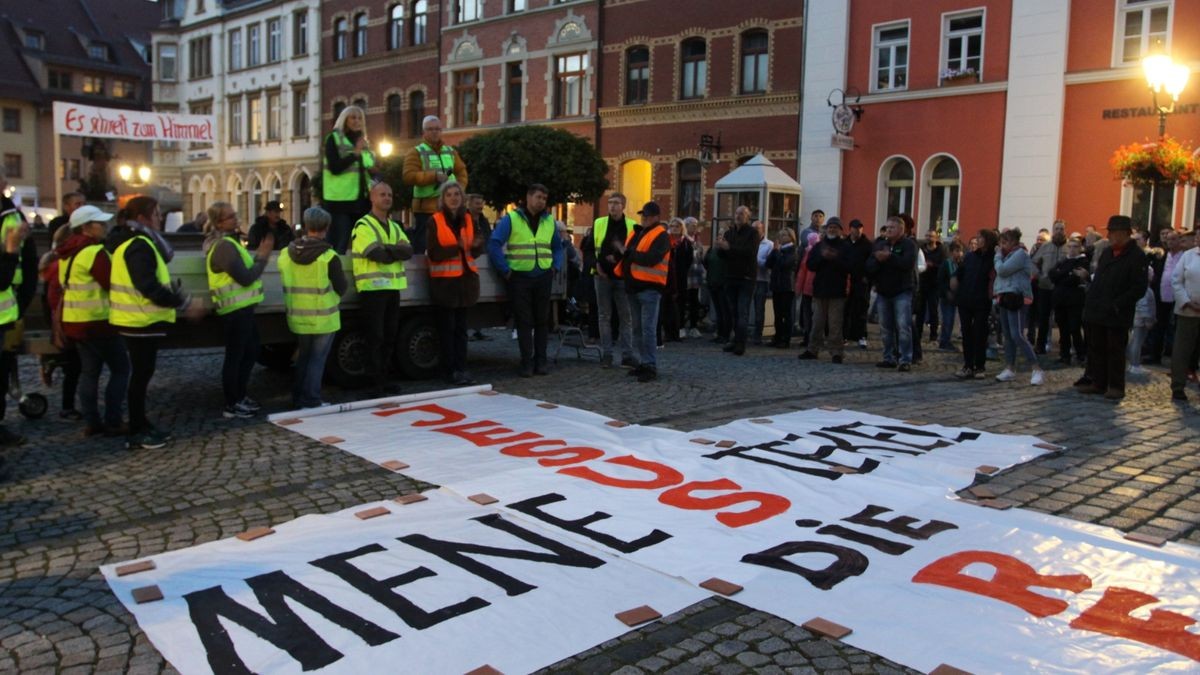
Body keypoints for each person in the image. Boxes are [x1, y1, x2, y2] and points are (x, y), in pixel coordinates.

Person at [109, 197, 204, 449]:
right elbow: (147, 286)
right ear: (142, 218)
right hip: (140, 320)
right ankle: (138, 431)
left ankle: (141, 424)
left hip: (138, 318)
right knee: (140, 377)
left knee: (142, 375)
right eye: (157, 213)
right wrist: (183, 302)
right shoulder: (139, 245)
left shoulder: (132, 242)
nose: (160, 218)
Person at [56, 205, 130, 436]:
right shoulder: (93, 253)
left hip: (75, 322)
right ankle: (114, 421)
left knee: (89, 373)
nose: (105, 226)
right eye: (100, 223)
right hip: (99, 322)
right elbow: (112, 283)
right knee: (121, 370)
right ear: (87, 228)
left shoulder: (66, 254)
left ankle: (92, 422)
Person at [204, 201, 273, 418]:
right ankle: (232, 403)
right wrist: (262, 257)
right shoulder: (224, 246)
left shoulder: (230, 244)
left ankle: (240, 396)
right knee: (236, 356)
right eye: (231, 217)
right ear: (219, 222)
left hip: (243, 309)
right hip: (235, 311)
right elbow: (245, 277)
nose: (236, 219)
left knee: (250, 351)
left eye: (235, 215)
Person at [488, 184, 563, 377]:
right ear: (528, 197)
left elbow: (558, 247)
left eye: (544, 199)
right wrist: (505, 270)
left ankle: (541, 362)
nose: (541, 201)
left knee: (541, 322)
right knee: (524, 322)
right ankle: (526, 363)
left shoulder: (549, 221)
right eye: (538, 197)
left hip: (543, 275)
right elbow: (494, 244)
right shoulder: (512, 219)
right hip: (520, 277)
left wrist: (555, 266)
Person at [279, 207, 346, 409]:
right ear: (326, 227)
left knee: (303, 359)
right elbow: (341, 287)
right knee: (317, 360)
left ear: (306, 226)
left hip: (297, 317)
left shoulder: (286, 254)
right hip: (324, 318)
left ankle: (298, 397)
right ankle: (312, 399)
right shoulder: (329, 256)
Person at [1076, 215, 1148, 400]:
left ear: (1124, 233)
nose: (1109, 235)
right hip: (1098, 309)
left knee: (1115, 350)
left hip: (1118, 312)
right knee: (1096, 347)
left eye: (1113, 232)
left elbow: (1139, 287)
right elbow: (1099, 278)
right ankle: (1098, 383)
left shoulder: (1137, 255)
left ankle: (1116, 386)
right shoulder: (1108, 252)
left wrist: (1118, 304)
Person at [352, 181, 413, 396]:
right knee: (374, 338)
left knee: (389, 336)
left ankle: (384, 379)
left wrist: (388, 249)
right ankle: (373, 382)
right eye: (382, 194)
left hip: (392, 288)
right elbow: (374, 254)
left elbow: (408, 251)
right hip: (372, 289)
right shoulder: (363, 225)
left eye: (390, 194)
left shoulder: (396, 226)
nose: (387, 198)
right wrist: (393, 250)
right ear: (372, 198)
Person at [427, 183, 486, 386]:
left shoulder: (468, 218)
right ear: (442, 198)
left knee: (461, 331)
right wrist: (456, 247)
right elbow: (433, 253)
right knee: (446, 332)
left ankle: (461, 369)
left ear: (462, 197)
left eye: (457, 194)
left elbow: (473, 251)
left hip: (465, 284)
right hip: (445, 285)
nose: (453, 198)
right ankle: (448, 370)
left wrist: (477, 245)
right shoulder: (435, 220)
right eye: (449, 194)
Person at [403, 115, 469, 255]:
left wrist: (459, 189)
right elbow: (408, 176)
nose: (435, 132)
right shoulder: (415, 152)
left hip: (449, 208)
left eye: (438, 129)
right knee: (424, 245)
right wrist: (434, 176)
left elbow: (461, 171)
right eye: (430, 129)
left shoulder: (450, 151)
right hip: (426, 210)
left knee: (448, 243)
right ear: (424, 132)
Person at [624, 202, 671, 382]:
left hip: (650, 288)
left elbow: (651, 259)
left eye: (648, 216)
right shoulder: (638, 233)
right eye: (643, 215)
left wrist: (629, 254)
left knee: (648, 329)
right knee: (638, 328)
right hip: (633, 287)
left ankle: (650, 365)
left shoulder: (661, 236)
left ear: (657, 217)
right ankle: (644, 363)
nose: (645, 218)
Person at [993, 228, 1045, 386]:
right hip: (1004, 296)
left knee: (1017, 335)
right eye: (1001, 242)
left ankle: (1036, 368)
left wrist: (997, 256)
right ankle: (1010, 367)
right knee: (1008, 335)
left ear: (1014, 242)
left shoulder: (1020, 254)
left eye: (1005, 242)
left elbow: (1002, 270)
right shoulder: (1006, 255)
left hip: (1016, 297)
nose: (1002, 245)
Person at [866, 215, 917, 371]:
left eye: (892, 227)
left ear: (901, 229)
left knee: (903, 326)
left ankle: (905, 359)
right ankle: (889, 357)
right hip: (883, 291)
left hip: (902, 291)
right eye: (887, 227)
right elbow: (868, 266)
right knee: (885, 327)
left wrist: (890, 257)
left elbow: (907, 264)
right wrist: (878, 260)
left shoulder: (909, 244)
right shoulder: (880, 244)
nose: (888, 230)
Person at [322, 105, 375, 253]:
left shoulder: (362, 141)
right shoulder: (333, 139)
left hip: (360, 200)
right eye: (353, 118)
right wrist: (355, 153)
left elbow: (369, 166)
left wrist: (369, 155)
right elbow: (335, 167)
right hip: (339, 201)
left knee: (361, 242)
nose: (357, 121)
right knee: (340, 243)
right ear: (344, 120)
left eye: (360, 118)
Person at [799, 218, 852, 362]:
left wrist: (834, 258)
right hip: (819, 289)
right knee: (817, 322)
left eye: (835, 227)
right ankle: (812, 349)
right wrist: (823, 258)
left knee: (835, 324)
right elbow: (810, 265)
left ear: (840, 230)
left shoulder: (845, 247)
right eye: (829, 227)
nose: (832, 229)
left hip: (837, 291)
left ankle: (836, 352)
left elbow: (850, 267)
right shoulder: (818, 246)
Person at [953, 228, 998, 379]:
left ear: (988, 240)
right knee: (966, 333)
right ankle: (967, 365)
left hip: (982, 301)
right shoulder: (970, 256)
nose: (977, 240)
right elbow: (960, 272)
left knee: (980, 333)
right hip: (965, 299)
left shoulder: (994, 258)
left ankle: (980, 366)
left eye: (980, 237)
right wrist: (954, 280)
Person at [716, 205, 759, 356]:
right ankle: (735, 339)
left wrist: (729, 248)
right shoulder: (729, 233)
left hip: (746, 277)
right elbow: (724, 255)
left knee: (742, 311)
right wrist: (720, 248)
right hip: (730, 276)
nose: (738, 216)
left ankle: (741, 342)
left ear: (748, 217)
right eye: (736, 213)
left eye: (742, 213)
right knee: (733, 311)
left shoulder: (753, 233)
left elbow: (749, 252)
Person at [1169, 229, 1199, 402]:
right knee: (1182, 350)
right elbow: (1176, 280)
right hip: (1187, 310)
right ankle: (1178, 386)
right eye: (1197, 236)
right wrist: (1186, 301)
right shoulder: (1188, 256)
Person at [1049, 237, 1089, 365]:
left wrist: (1061, 275)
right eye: (1070, 246)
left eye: (1075, 246)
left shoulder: (1083, 261)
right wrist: (1066, 274)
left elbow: (1075, 279)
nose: (1072, 249)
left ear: (1080, 248)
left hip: (1074, 300)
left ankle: (1080, 354)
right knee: (1063, 329)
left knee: (1074, 328)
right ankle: (1064, 354)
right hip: (1060, 299)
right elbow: (1052, 274)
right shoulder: (1063, 261)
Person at [1030, 220, 1067, 353]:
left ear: (1065, 230)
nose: (1059, 231)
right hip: (1045, 287)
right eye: (1056, 229)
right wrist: (1039, 275)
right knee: (1043, 318)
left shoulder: (1069, 247)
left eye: (1061, 229)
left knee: (1062, 319)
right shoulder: (1045, 247)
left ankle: (1064, 348)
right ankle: (1040, 345)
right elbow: (1033, 263)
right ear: (1053, 230)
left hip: (1062, 288)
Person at [1147, 228, 1182, 364]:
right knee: (1159, 326)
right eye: (1168, 240)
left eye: (1173, 239)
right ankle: (1155, 355)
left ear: (1180, 241)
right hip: (1161, 296)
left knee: (1174, 328)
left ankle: (1174, 357)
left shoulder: (1184, 256)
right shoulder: (1163, 256)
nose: (1170, 242)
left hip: (1178, 298)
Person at [464, 193, 494, 341]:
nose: (480, 206)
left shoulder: (483, 221)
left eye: (481, 203)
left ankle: (477, 329)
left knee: (480, 295)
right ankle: (467, 329)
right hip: (468, 261)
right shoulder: (464, 219)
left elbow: (489, 238)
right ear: (469, 204)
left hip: (483, 260)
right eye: (477, 203)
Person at [843, 219, 873, 349]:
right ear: (850, 229)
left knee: (861, 309)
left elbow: (871, 263)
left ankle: (862, 336)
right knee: (845, 309)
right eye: (855, 228)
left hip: (862, 281)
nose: (858, 230)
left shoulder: (867, 244)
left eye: (860, 228)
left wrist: (867, 277)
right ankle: (845, 334)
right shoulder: (845, 243)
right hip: (846, 280)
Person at [766, 228, 797, 348]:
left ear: (791, 237)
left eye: (784, 235)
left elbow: (785, 264)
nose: (781, 237)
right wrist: (774, 251)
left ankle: (786, 339)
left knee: (786, 314)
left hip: (787, 286)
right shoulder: (779, 250)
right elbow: (768, 264)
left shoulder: (793, 250)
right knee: (777, 314)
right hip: (776, 285)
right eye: (780, 235)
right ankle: (777, 336)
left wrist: (778, 252)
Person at [662, 217, 692, 342]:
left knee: (679, 304)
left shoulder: (685, 243)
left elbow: (688, 260)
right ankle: (668, 331)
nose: (674, 229)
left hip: (680, 277)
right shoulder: (665, 241)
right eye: (672, 226)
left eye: (677, 226)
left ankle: (677, 331)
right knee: (667, 304)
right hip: (667, 277)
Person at [917, 229, 945, 344]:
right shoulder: (921, 249)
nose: (929, 238)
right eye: (927, 236)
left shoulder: (941, 250)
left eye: (931, 236)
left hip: (934, 284)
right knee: (920, 310)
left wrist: (933, 265)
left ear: (936, 238)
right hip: (922, 282)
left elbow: (944, 265)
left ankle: (933, 334)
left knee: (933, 310)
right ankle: (918, 333)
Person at [704, 226, 731, 344]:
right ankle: (719, 334)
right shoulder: (712, 248)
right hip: (712, 282)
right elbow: (706, 263)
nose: (720, 237)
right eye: (719, 234)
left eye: (723, 234)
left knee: (725, 310)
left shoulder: (727, 249)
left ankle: (725, 334)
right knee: (718, 310)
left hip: (723, 283)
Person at [793, 231, 819, 347]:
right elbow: (802, 271)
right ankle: (809, 337)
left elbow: (802, 271)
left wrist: (799, 287)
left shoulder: (812, 253)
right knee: (808, 315)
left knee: (813, 315)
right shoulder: (808, 253)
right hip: (809, 288)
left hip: (814, 288)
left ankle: (811, 337)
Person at [936, 240, 963, 350]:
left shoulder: (960, 264)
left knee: (951, 319)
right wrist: (947, 292)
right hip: (946, 296)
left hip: (956, 296)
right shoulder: (946, 264)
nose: (959, 253)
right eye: (957, 251)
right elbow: (940, 281)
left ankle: (946, 340)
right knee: (947, 319)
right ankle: (944, 341)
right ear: (951, 252)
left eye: (960, 251)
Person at [1127, 280, 1156, 377]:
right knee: (1137, 342)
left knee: (1136, 341)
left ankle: (1134, 363)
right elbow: (1142, 306)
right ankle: (1134, 364)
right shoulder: (1144, 290)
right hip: (1140, 320)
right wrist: (1147, 319)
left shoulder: (1143, 289)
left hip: (1138, 319)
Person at [683, 217, 705, 338]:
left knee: (694, 301)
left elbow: (700, 257)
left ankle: (693, 326)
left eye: (696, 225)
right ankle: (680, 326)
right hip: (685, 275)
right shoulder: (683, 239)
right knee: (681, 301)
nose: (695, 227)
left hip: (695, 276)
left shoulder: (697, 240)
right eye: (692, 225)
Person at [751, 221, 772, 345]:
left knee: (759, 309)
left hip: (761, 280)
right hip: (748, 279)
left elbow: (768, 263)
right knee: (744, 308)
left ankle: (757, 335)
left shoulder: (769, 244)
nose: (754, 231)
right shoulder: (747, 242)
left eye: (757, 229)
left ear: (762, 230)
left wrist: (755, 258)